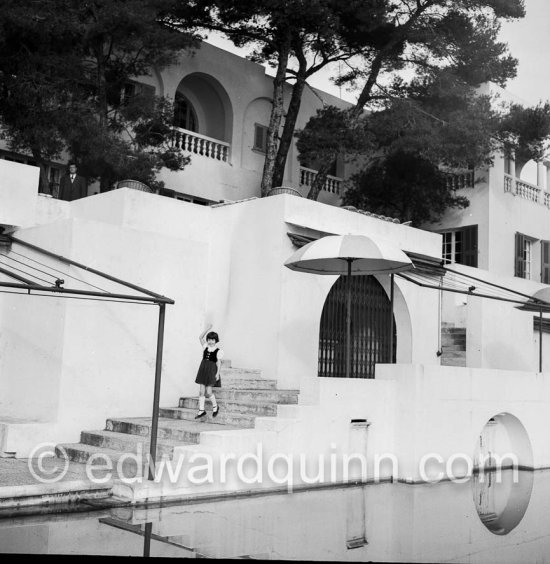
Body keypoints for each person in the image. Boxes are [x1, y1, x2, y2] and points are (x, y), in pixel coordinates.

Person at [194, 324, 223, 419]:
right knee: (201, 391)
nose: (211, 342)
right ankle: (201, 410)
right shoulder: (205, 346)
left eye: (213, 340)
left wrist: (217, 373)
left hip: (211, 370)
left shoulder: (218, 351)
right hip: (203, 369)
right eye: (209, 339)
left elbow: (218, 362)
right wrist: (207, 329)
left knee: (209, 392)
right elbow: (200, 337)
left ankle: (215, 406)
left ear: (216, 341)